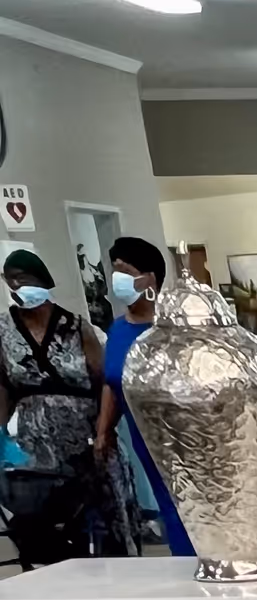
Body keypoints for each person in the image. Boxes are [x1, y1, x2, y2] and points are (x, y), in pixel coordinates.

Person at [0, 246, 138, 557]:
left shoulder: (75, 326)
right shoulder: (3, 330)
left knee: (105, 522)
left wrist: (104, 431)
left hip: (88, 438)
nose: (18, 287)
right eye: (11, 281)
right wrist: (0, 436)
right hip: (36, 446)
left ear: (42, 281)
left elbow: (106, 382)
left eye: (24, 279)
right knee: (42, 528)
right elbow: (4, 386)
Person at [95, 236, 193, 557]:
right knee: (169, 506)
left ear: (150, 278)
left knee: (190, 504)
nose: (117, 278)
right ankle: (186, 562)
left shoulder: (175, 327)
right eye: (115, 270)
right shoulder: (119, 330)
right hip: (143, 437)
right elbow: (112, 381)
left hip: (182, 436)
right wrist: (104, 431)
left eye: (125, 270)